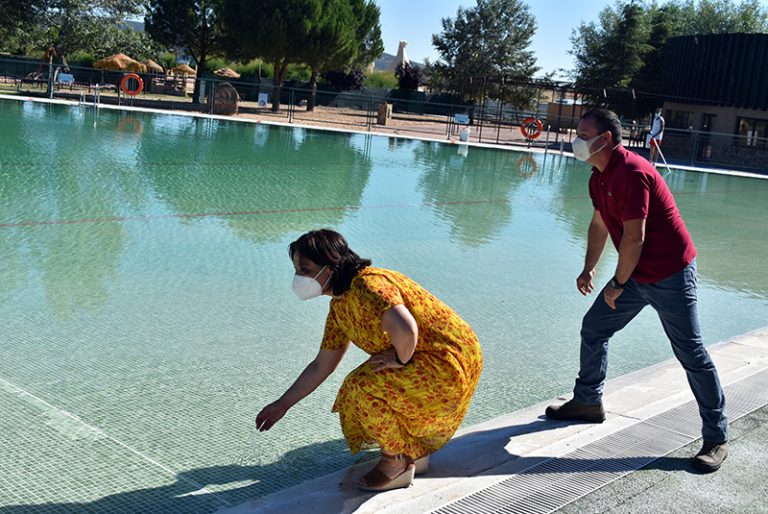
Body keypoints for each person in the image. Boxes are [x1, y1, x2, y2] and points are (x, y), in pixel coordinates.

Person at [548, 108, 728, 473]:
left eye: (584, 133)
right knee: (595, 327)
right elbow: (599, 225)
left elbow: (635, 238)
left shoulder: (632, 172)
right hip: (635, 274)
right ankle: (587, 402)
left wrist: (617, 284)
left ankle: (716, 436)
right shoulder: (598, 177)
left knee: (691, 353)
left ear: (605, 140)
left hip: (669, 275)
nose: (576, 140)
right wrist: (588, 268)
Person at [255, 229, 483, 491]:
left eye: (305, 268)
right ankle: (415, 455)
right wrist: (282, 404)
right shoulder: (341, 306)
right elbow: (322, 365)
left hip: (448, 363)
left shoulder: (368, 285)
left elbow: (406, 328)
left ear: (330, 267)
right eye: (296, 268)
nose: (299, 277)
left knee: (361, 387)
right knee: (373, 382)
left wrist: (401, 358)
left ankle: (394, 463)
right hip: (434, 359)